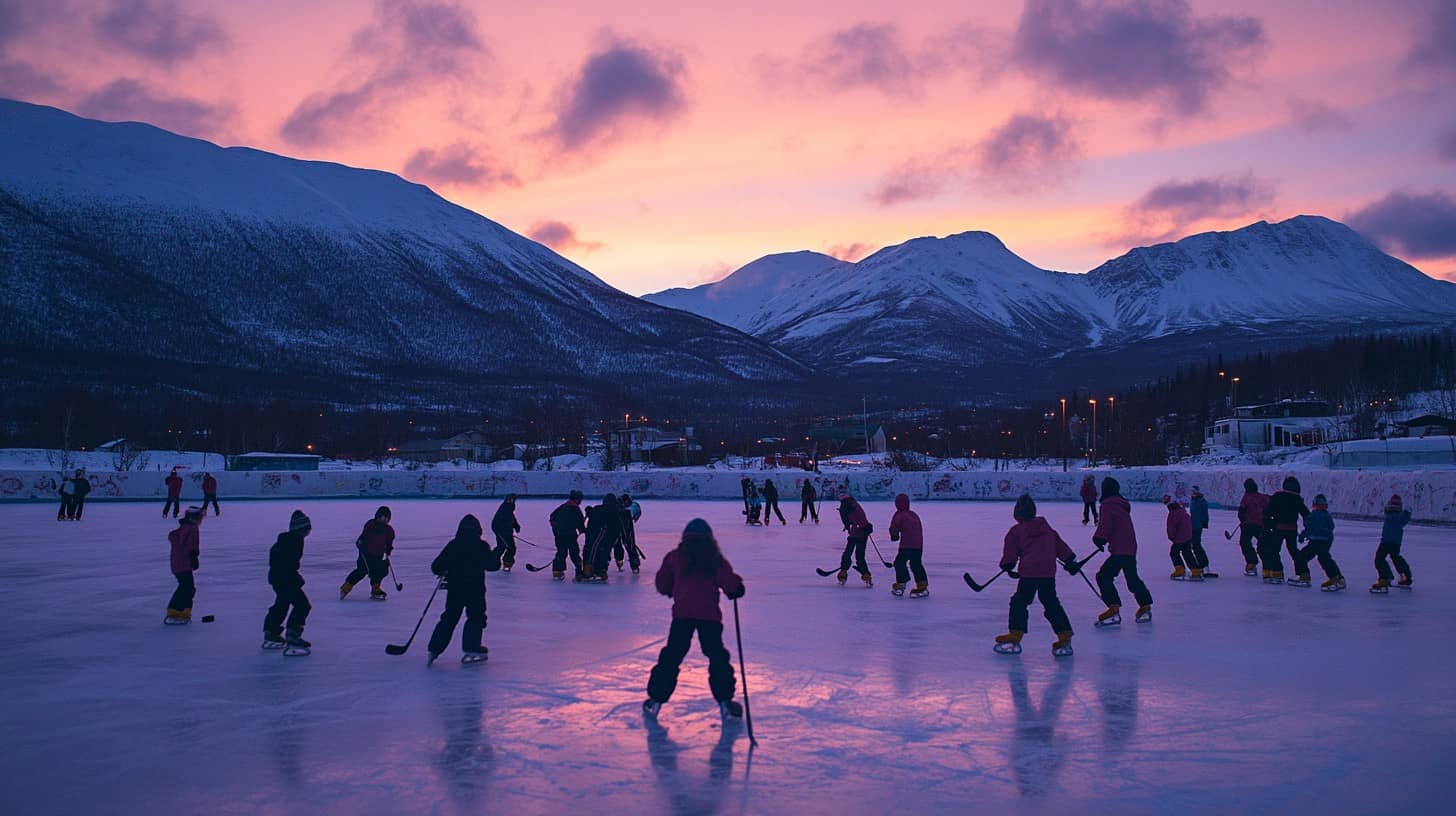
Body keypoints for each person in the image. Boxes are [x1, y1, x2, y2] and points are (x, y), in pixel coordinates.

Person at [642, 518, 746, 720]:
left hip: (683, 615)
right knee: (717, 655)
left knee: (672, 655)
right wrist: (737, 588)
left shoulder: (675, 558)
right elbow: (730, 584)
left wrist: (676, 591)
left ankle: (656, 698)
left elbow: (662, 584)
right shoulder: (715, 560)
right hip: (710, 617)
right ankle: (725, 700)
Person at [995, 495, 1078, 656]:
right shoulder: (1048, 530)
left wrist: (1008, 565)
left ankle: (1015, 634)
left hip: (1029, 574)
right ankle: (1064, 633)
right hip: (1047, 574)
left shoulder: (1016, 531)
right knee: (1051, 603)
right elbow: (1062, 548)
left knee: (1019, 602)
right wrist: (1070, 562)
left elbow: (1010, 553)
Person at [426, 514, 502, 666]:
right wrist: (496, 554)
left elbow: (436, 566)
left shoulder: (454, 545)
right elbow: (493, 566)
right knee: (476, 617)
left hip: (455, 590)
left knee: (449, 618)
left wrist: (444, 570)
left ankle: (435, 648)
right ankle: (471, 647)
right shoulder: (481, 546)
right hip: (475, 590)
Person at [1092, 477, 1152, 626]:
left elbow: (1106, 524)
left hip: (1120, 549)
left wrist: (1099, 538)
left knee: (1103, 576)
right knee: (1132, 578)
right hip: (1130, 547)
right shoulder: (1121, 504)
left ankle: (1113, 607)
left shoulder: (1108, 505)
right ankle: (1145, 606)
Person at [263, 511, 313, 652]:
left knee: (282, 603)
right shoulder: (294, 540)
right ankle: (293, 633)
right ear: (300, 528)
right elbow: (286, 564)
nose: (308, 532)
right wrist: (295, 578)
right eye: (307, 529)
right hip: (284, 578)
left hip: (279, 578)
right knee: (303, 605)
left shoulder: (289, 539)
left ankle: (271, 632)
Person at [1261, 476, 1310, 585]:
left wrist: (1269, 525)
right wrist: (1309, 529)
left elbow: (1267, 512)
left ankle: (1277, 573)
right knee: (1294, 551)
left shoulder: (1278, 497)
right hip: (1292, 529)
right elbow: (1307, 515)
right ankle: (1303, 574)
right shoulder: (1297, 500)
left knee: (1274, 550)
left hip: (1279, 528)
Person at [341, 506, 395, 600]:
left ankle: (375, 590)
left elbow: (389, 544)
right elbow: (362, 538)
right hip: (366, 554)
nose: (384, 520)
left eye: (386, 518)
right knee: (362, 571)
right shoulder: (370, 524)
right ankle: (346, 587)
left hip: (379, 556)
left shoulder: (389, 530)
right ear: (377, 516)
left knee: (380, 571)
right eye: (382, 517)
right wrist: (360, 543)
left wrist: (387, 552)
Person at [1293, 493, 1343, 590]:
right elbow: (1330, 527)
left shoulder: (1314, 515)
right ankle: (1336, 577)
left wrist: (1302, 536)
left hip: (1317, 541)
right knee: (1323, 558)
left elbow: (1309, 528)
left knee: (1303, 556)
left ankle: (1304, 576)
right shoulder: (1327, 515)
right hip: (1323, 542)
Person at [164, 506, 204, 625]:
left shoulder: (183, 528)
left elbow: (176, 538)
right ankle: (177, 611)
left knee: (186, 587)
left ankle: (180, 611)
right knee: (187, 587)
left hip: (177, 564)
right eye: (200, 517)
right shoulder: (192, 529)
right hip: (184, 563)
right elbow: (191, 545)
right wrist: (193, 557)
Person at [1370, 495, 1413, 593]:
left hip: (1389, 542)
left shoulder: (1396, 515)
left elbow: (1403, 520)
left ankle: (1386, 578)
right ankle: (1404, 577)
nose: (1393, 506)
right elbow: (1403, 519)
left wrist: (1407, 513)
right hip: (1391, 542)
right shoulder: (1392, 514)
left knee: (1380, 559)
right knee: (1394, 558)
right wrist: (1407, 513)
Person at [888, 493, 928, 597]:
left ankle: (901, 583)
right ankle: (922, 585)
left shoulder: (899, 514)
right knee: (916, 564)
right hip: (918, 545)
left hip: (906, 545)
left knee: (899, 563)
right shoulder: (914, 514)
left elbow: (895, 528)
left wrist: (894, 536)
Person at [836, 493, 874, 587]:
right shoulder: (854, 504)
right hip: (861, 533)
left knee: (848, 553)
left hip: (856, 532)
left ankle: (843, 572)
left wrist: (849, 526)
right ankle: (866, 575)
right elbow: (861, 517)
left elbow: (847, 520)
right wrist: (866, 527)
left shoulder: (845, 507)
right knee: (859, 556)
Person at [549, 490, 587, 581]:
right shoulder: (575, 509)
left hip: (560, 536)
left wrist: (556, 530)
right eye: (580, 500)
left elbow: (552, 518)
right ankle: (578, 572)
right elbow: (580, 523)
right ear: (576, 499)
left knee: (561, 553)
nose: (580, 502)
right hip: (570, 536)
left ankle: (557, 572)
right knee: (574, 554)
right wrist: (583, 530)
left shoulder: (562, 507)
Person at [583, 493, 623, 582]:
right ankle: (600, 571)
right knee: (604, 553)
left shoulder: (599, 509)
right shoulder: (615, 511)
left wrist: (590, 512)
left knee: (592, 551)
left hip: (598, 536)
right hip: (609, 537)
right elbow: (618, 527)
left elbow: (594, 517)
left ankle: (590, 570)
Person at [1236, 479, 1269, 577]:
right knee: (1263, 546)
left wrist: (1242, 519)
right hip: (1260, 525)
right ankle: (1268, 567)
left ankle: (1252, 564)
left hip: (1248, 525)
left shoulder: (1246, 498)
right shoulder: (1263, 497)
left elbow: (1241, 512)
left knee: (1245, 543)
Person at [1164, 496, 1202, 581]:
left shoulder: (1173, 514)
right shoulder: (1183, 512)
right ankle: (1196, 570)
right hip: (1188, 536)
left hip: (1179, 537)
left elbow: (1171, 527)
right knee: (1187, 552)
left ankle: (1180, 570)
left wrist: (1172, 537)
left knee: (1174, 552)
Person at [491, 495, 521, 572]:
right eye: (509, 500)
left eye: (512, 500)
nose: (511, 501)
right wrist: (499, 531)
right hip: (501, 532)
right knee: (502, 547)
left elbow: (512, 518)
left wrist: (516, 526)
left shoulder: (509, 509)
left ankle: (507, 564)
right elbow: (495, 523)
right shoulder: (504, 508)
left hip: (508, 532)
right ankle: (492, 562)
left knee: (511, 548)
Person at [614, 494, 643, 574]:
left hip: (622, 526)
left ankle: (621, 561)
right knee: (627, 545)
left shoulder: (630, 509)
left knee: (620, 544)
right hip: (624, 526)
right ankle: (634, 565)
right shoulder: (631, 509)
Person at [1188, 486, 1212, 576]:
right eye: (1192, 492)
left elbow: (1205, 513)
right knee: (1194, 545)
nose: (1193, 493)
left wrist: (1204, 523)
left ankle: (1203, 565)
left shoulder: (1201, 501)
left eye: (1194, 492)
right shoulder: (1193, 501)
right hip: (1192, 526)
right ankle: (1201, 565)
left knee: (1196, 545)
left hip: (1197, 526)